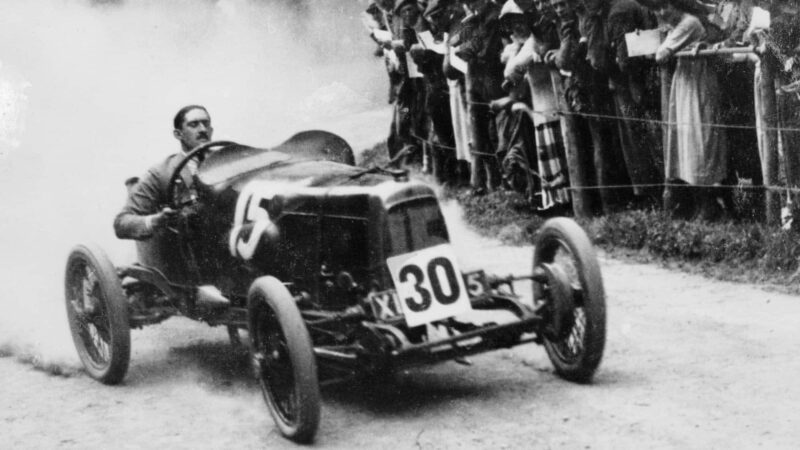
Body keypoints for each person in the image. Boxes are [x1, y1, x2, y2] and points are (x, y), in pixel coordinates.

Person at [656, 0, 729, 220]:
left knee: (700, 140)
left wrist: (662, 45)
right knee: (689, 140)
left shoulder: (688, 23)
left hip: (698, 82)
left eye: (665, 6)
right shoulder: (678, 26)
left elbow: (660, 55)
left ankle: (710, 205)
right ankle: (701, 204)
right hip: (687, 82)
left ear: (678, 5)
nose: (662, 12)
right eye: (658, 8)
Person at [114, 105, 212, 240]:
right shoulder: (161, 173)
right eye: (194, 125)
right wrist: (157, 220)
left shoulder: (229, 161)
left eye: (206, 124)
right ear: (178, 134)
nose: (202, 129)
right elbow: (121, 223)